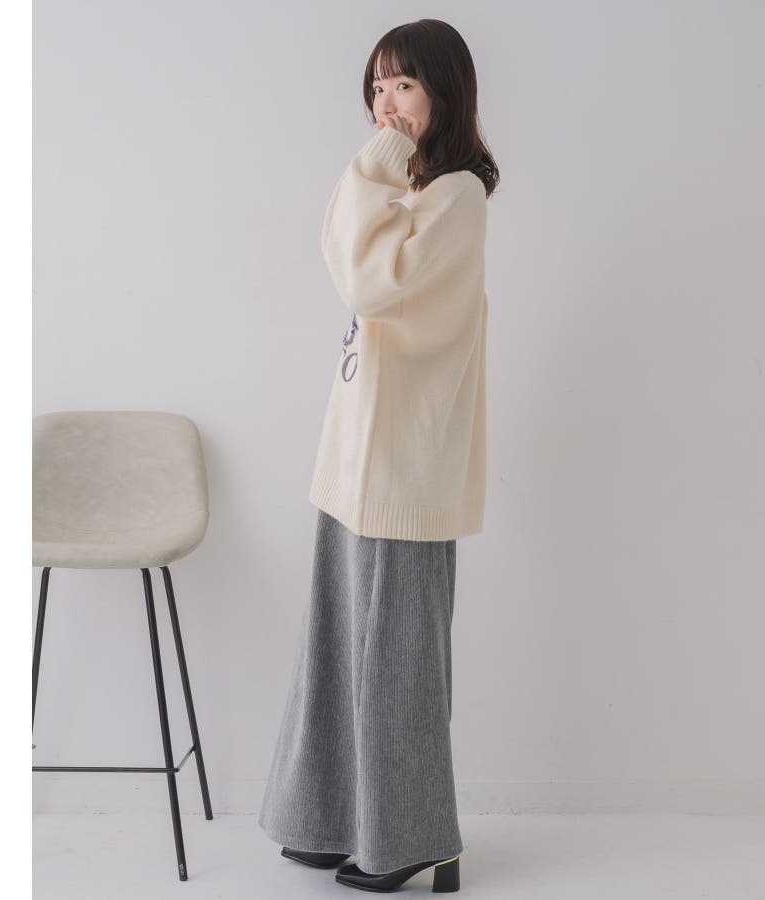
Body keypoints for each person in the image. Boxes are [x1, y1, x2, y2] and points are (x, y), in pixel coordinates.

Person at [257, 18, 498, 893]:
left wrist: (378, 161)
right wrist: (382, 165)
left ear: (444, 91)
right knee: (337, 654)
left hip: (406, 468)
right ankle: (332, 821)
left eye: (403, 85)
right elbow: (339, 244)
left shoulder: (456, 197)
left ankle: (414, 839)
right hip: (354, 461)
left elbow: (368, 284)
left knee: (396, 666)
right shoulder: (405, 187)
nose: (385, 105)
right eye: (377, 86)